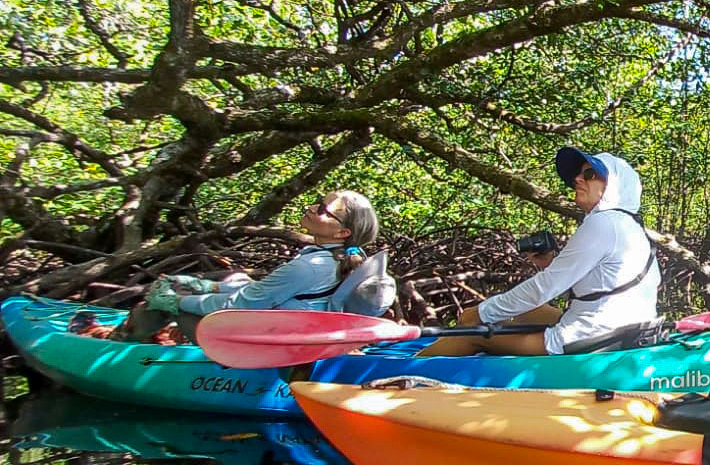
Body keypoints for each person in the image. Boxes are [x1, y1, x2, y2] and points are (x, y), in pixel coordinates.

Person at [419, 147, 659, 356]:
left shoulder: (604, 223)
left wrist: (481, 313)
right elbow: (601, 287)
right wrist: (550, 263)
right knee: (529, 312)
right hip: (621, 329)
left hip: (592, 335)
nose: (578, 179)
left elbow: (544, 288)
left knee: (472, 333)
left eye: (589, 174)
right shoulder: (629, 226)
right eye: (579, 174)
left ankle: (401, 371)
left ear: (614, 186)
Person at [109, 190, 381, 342]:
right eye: (319, 202)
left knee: (165, 301)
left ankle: (119, 346)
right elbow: (261, 294)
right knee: (235, 277)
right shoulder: (336, 257)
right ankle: (153, 336)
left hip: (271, 343)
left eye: (324, 210)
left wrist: (175, 302)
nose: (312, 208)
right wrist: (208, 286)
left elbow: (236, 307)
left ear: (342, 233)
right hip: (290, 332)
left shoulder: (309, 267)